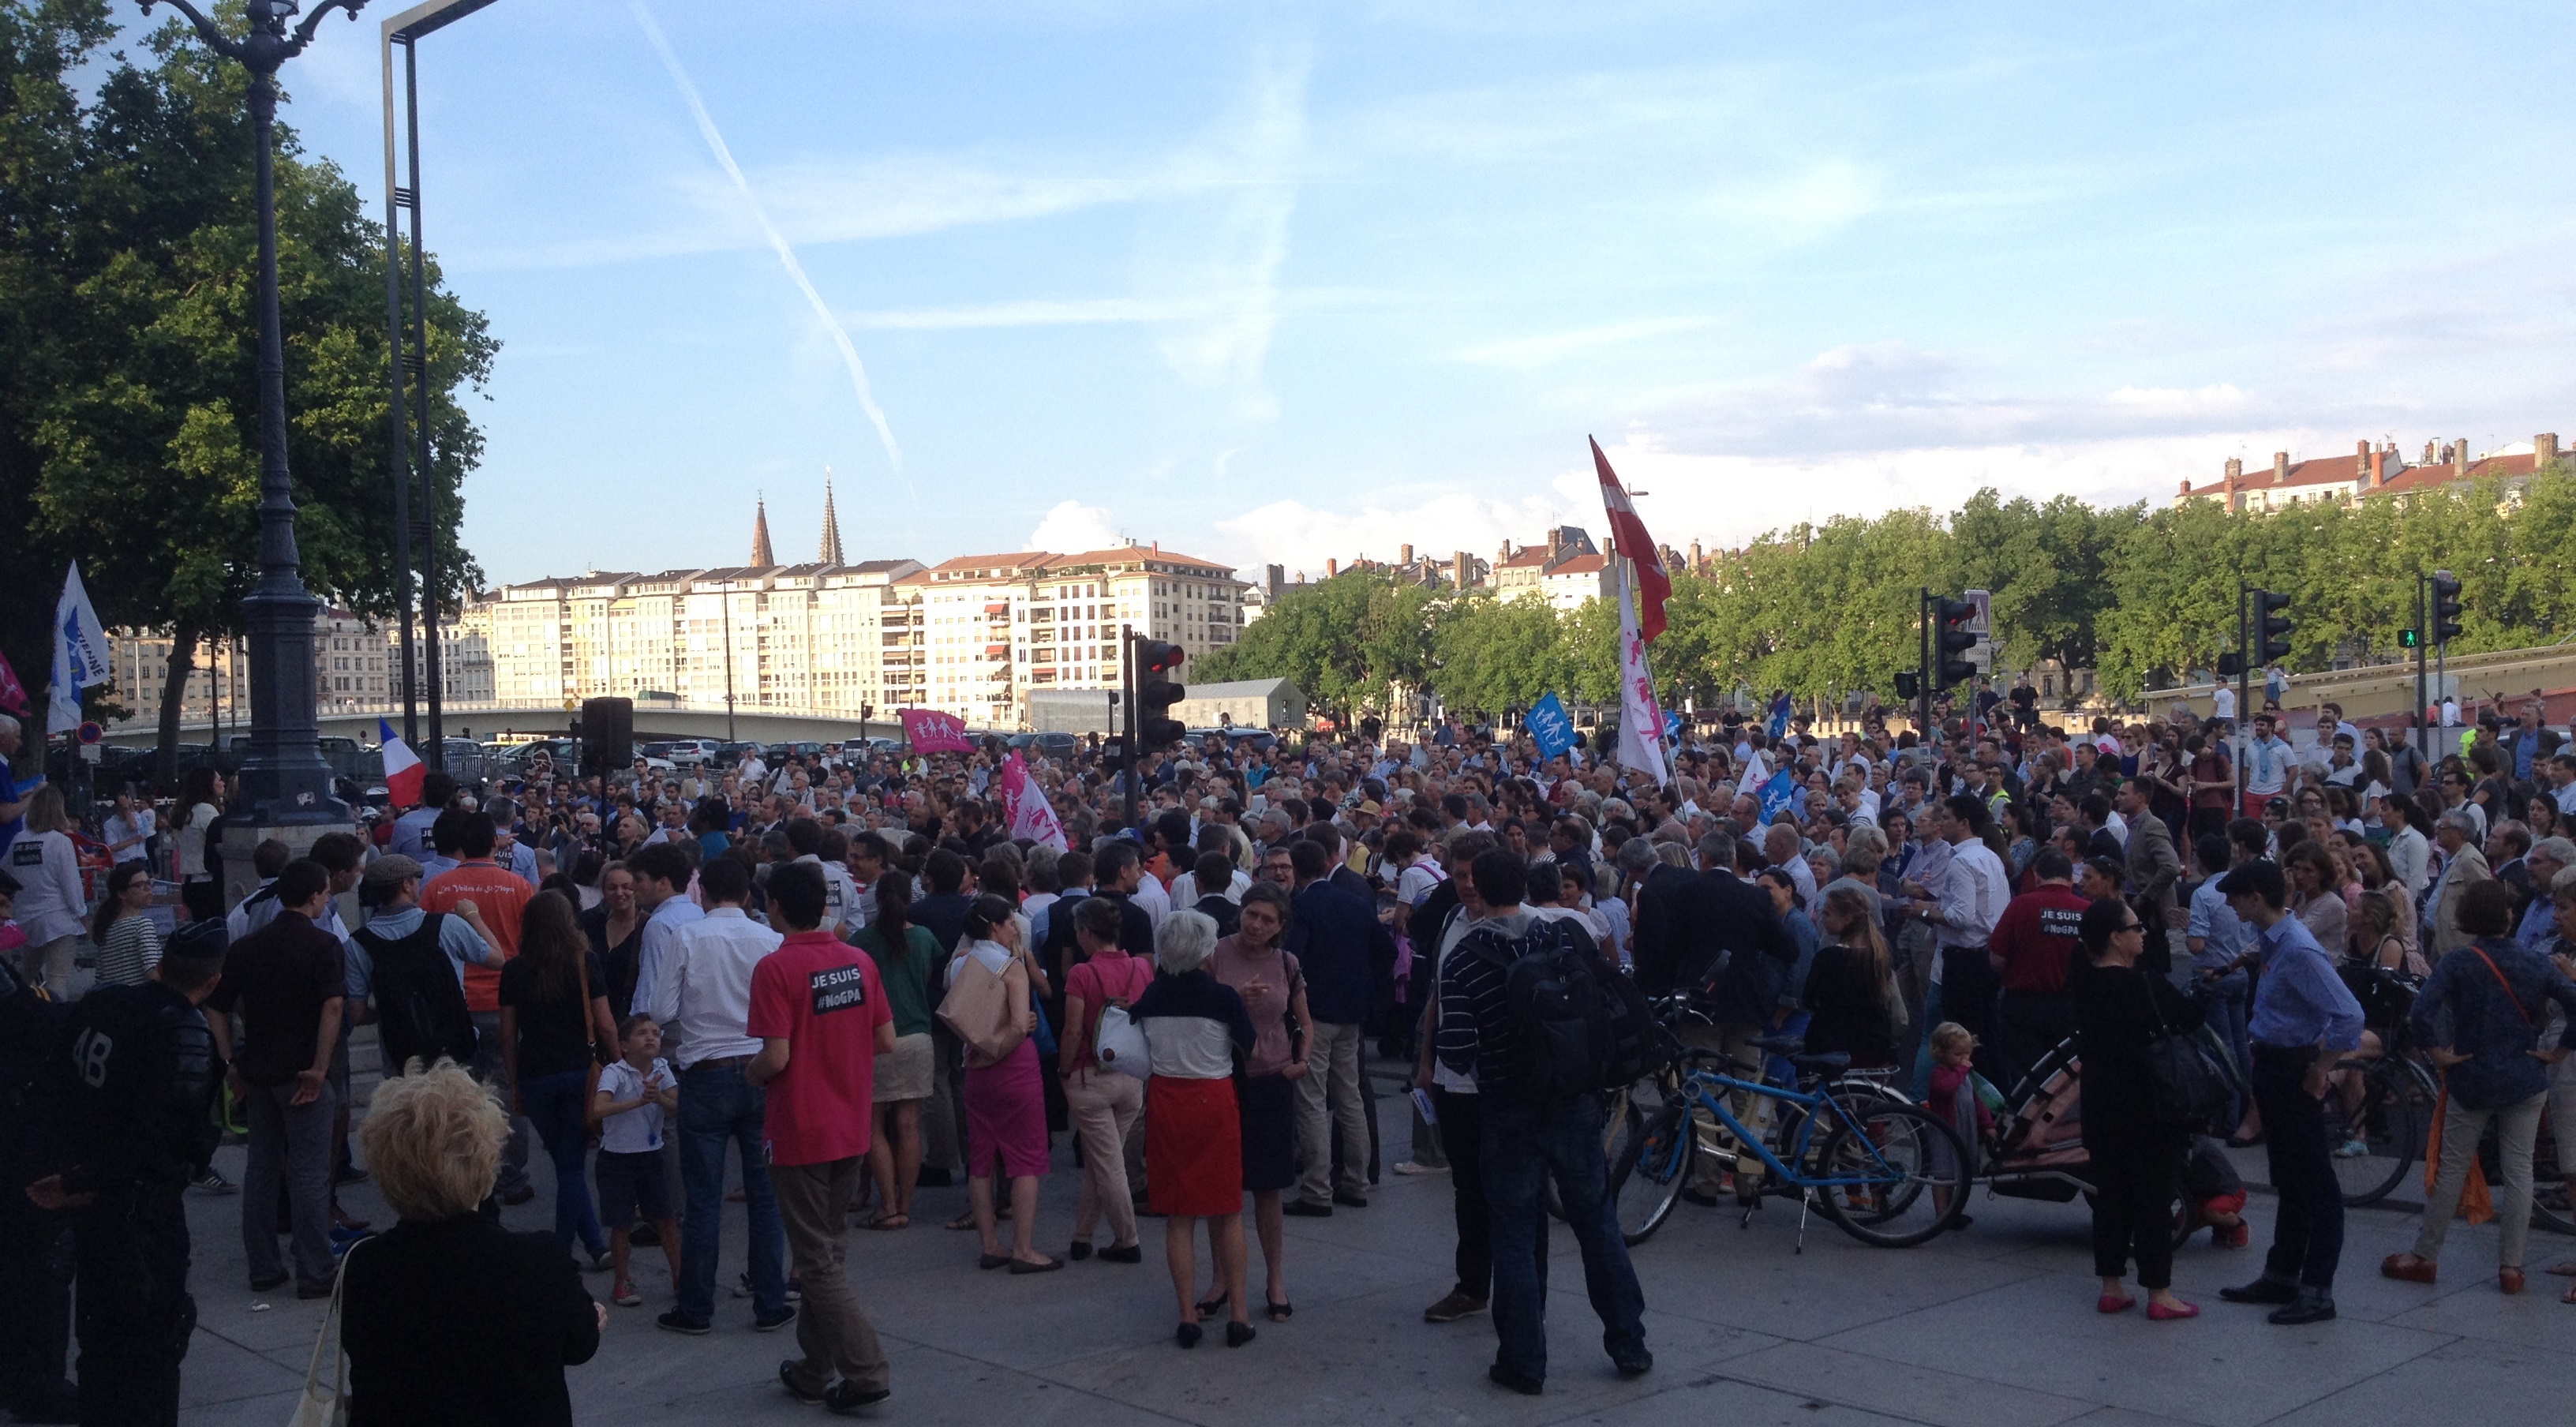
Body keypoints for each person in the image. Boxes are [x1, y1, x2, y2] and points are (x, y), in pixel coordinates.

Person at [1436, 848, 1649, 1395]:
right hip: (1574, 1102)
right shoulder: (1563, 937)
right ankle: (1628, 1340)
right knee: (1596, 1223)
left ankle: (1524, 1360)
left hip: (1507, 1106)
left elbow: (1456, 1049)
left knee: (1512, 1234)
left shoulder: (1464, 960)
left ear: (1477, 890)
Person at [27, 922, 225, 1426]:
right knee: (148, 1347)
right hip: (140, 1212)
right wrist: (79, 1178)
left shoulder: (105, 1005)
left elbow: (57, 1085)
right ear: (213, 979)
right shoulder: (181, 1030)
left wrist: (72, 1172)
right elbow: (159, 1136)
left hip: (94, 1199)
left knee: (99, 1340)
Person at [341, 1062, 604, 1425]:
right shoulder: (536, 1262)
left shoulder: (364, 1267)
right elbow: (579, 1343)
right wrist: (590, 1319)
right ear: (485, 1158)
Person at [747, 860, 898, 1412]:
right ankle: (815, 1368)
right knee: (826, 1249)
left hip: (800, 1128)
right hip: (852, 1125)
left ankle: (865, 1369)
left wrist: (751, 1074)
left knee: (815, 1260)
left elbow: (776, 1056)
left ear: (777, 907)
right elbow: (886, 1040)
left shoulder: (776, 969)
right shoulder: (858, 960)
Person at [2379, 880, 2576, 1295]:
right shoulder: (2535, 961)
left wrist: (2437, 1054)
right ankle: (2512, 1268)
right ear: (2507, 916)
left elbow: (2421, 1014)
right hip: (2524, 1075)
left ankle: (2426, 1255)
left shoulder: (2457, 962)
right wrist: (2558, 1052)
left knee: (2452, 1166)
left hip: (2472, 1076)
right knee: (2519, 1170)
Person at [645, 853, 793, 1335]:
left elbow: (660, 1008)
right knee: (766, 1195)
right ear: (749, 895)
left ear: (701, 893)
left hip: (706, 1073)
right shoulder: (770, 938)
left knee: (704, 1199)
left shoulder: (687, 935)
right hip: (761, 1068)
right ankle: (770, 1302)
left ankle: (696, 1307)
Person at [2216, 860, 2365, 1325]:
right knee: (2290, 1180)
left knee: (2316, 1185)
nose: (2230, 905)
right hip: (2274, 1066)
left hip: (2292, 1068)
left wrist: (2322, 1067)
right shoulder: (2274, 941)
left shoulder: (2299, 949)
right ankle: (2282, 1274)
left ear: (2256, 899)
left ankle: (2318, 1290)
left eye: (2236, 897)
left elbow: (2350, 1015)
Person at [203, 860, 343, 1298]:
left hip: (258, 1071)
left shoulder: (247, 947)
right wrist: (320, 1067)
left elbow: (215, 1006)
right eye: (324, 894)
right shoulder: (323, 946)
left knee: (261, 1169)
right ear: (316, 895)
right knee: (308, 1172)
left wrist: (229, 1061)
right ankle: (315, 1268)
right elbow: (333, 1007)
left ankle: (263, 1265)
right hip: (302, 1071)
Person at [1129, 909, 1257, 1348]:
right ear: (1207, 949)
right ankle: (1239, 1313)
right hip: (1214, 1098)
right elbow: (1250, 1047)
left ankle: (1187, 1314)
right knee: (1228, 1211)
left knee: (1179, 1215)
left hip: (1167, 1098)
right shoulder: (1223, 998)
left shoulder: (1151, 996)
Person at [2071, 897, 2203, 1321]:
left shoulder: (2083, 981)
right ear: (2115, 938)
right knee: (2153, 1197)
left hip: (2099, 1100)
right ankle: (2159, 1292)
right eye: (2135, 928)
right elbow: (2189, 1017)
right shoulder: (2144, 984)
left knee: (2110, 1194)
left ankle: (2111, 1285)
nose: (2142, 933)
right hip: (2147, 1103)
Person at [422, 812, 540, 1205]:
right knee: (508, 1088)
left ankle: (463, 1177)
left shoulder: (438, 887)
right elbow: (533, 946)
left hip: (456, 1006)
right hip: (506, 1006)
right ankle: (512, 1177)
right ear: (495, 843)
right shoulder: (519, 886)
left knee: (457, 1094)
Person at [1208, 881, 1312, 1320]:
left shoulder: (1286, 963)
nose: (1256, 924)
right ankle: (1220, 1278)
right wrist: (1233, 1000)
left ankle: (1274, 1278)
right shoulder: (1215, 954)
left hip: (1272, 1080)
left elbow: (1304, 1020)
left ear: (1280, 927)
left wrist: (1301, 1060)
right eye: (1252, 914)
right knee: (1221, 1188)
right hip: (1224, 1077)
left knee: (1268, 1188)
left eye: (1267, 919)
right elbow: (1200, 1013)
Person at [499, 890, 616, 1263]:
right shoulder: (585, 962)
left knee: (566, 1163)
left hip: (536, 1075)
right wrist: (620, 1064)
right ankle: (562, 1252)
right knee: (571, 1165)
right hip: (580, 1073)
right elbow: (605, 1023)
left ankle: (595, 1246)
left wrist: (515, 1083)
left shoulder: (514, 969)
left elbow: (507, 1035)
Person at [950, 893, 1059, 1271]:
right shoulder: (1011, 966)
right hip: (1013, 1066)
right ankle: (1024, 1249)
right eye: (1010, 922)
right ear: (995, 926)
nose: (1015, 928)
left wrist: (982, 1051)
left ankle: (990, 1243)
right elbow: (1017, 1025)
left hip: (974, 1067)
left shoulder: (959, 963)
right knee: (1025, 1160)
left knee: (981, 1159)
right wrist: (1006, 1042)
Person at [1283, 837, 1380, 1215]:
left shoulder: (1303, 907)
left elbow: (1293, 960)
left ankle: (1317, 1189)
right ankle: (1357, 1182)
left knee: (1311, 1101)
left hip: (1316, 1012)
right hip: (1351, 1010)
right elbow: (1382, 951)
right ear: (1326, 863)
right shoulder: (1356, 903)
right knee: (1349, 1096)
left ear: (1296, 869)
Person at [1058, 895, 1151, 1264]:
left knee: (1107, 1163)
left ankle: (1127, 1239)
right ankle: (1082, 1235)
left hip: (1090, 1075)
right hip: (1131, 1076)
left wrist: (1064, 1072)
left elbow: (1072, 1031)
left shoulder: (1082, 973)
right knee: (1105, 1161)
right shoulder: (1142, 969)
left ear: (1085, 932)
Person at [852, 872, 938, 1232]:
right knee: (908, 1125)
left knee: (873, 1126)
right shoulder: (924, 938)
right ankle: (904, 1205)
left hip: (876, 1039)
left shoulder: (862, 941)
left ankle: (887, 1205)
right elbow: (928, 978)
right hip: (918, 1037)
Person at [590, 1014, 680, 1309]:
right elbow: (600, 1108)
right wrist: (640, 1101)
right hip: (617, 1158)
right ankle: (622, 1280)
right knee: (622, 1223)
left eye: (655, 1033)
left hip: (651, 1155)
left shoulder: (663, 1069)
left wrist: (658, 1099)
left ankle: (681, 1276)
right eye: (642, 1033)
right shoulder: (615, 1073)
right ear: (625, 1045)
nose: (651, 1038)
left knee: (666, 1218)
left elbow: (677, 1107)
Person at [1986, 848, 2090, 1089]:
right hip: (2071, 1007)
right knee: (2067, 1081)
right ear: (2070, 877)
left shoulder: (2021, 905)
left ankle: (2028, 1125)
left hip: (2023, 1006)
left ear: (2036, 875)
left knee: (2026, 1081)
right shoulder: (2087, 910)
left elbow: (1997, 959)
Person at [1802, 884, 1898, 1070]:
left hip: (1833, 1044)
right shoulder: (1879, 956)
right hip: (1873, 1043)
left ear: (1846, 919)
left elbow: (1809, 999)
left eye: (1828, 914)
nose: (1823, 918)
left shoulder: (1829, 958)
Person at [4, 786, 82, 995]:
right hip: (57, 920)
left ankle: (15, 1014)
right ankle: (56, 1023)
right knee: (57, 979)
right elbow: (72, 887)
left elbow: (5, 874)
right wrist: (80, 913)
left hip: (26, 920)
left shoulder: (18, 841)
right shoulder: (60, 842)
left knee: (24, 977)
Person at [91, 862, 163, 988]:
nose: (148, 888)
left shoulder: (105, 928)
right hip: (141, 1001)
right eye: (139, 885)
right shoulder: (142, 925)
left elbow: (100, 977)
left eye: (148, 882)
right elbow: (153, 973)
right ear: (122, 894)